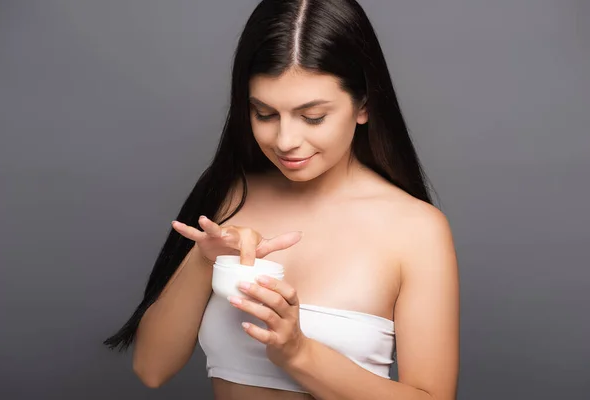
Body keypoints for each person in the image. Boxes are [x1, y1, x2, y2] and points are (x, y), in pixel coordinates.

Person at [104, 0, 460, 399]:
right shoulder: (231, 196)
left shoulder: (415, 229)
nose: (285, 141)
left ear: (364, 105)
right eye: (264, 113)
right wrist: (205, 259)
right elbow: (151, 369)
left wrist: (299, 353)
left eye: (312, 117)